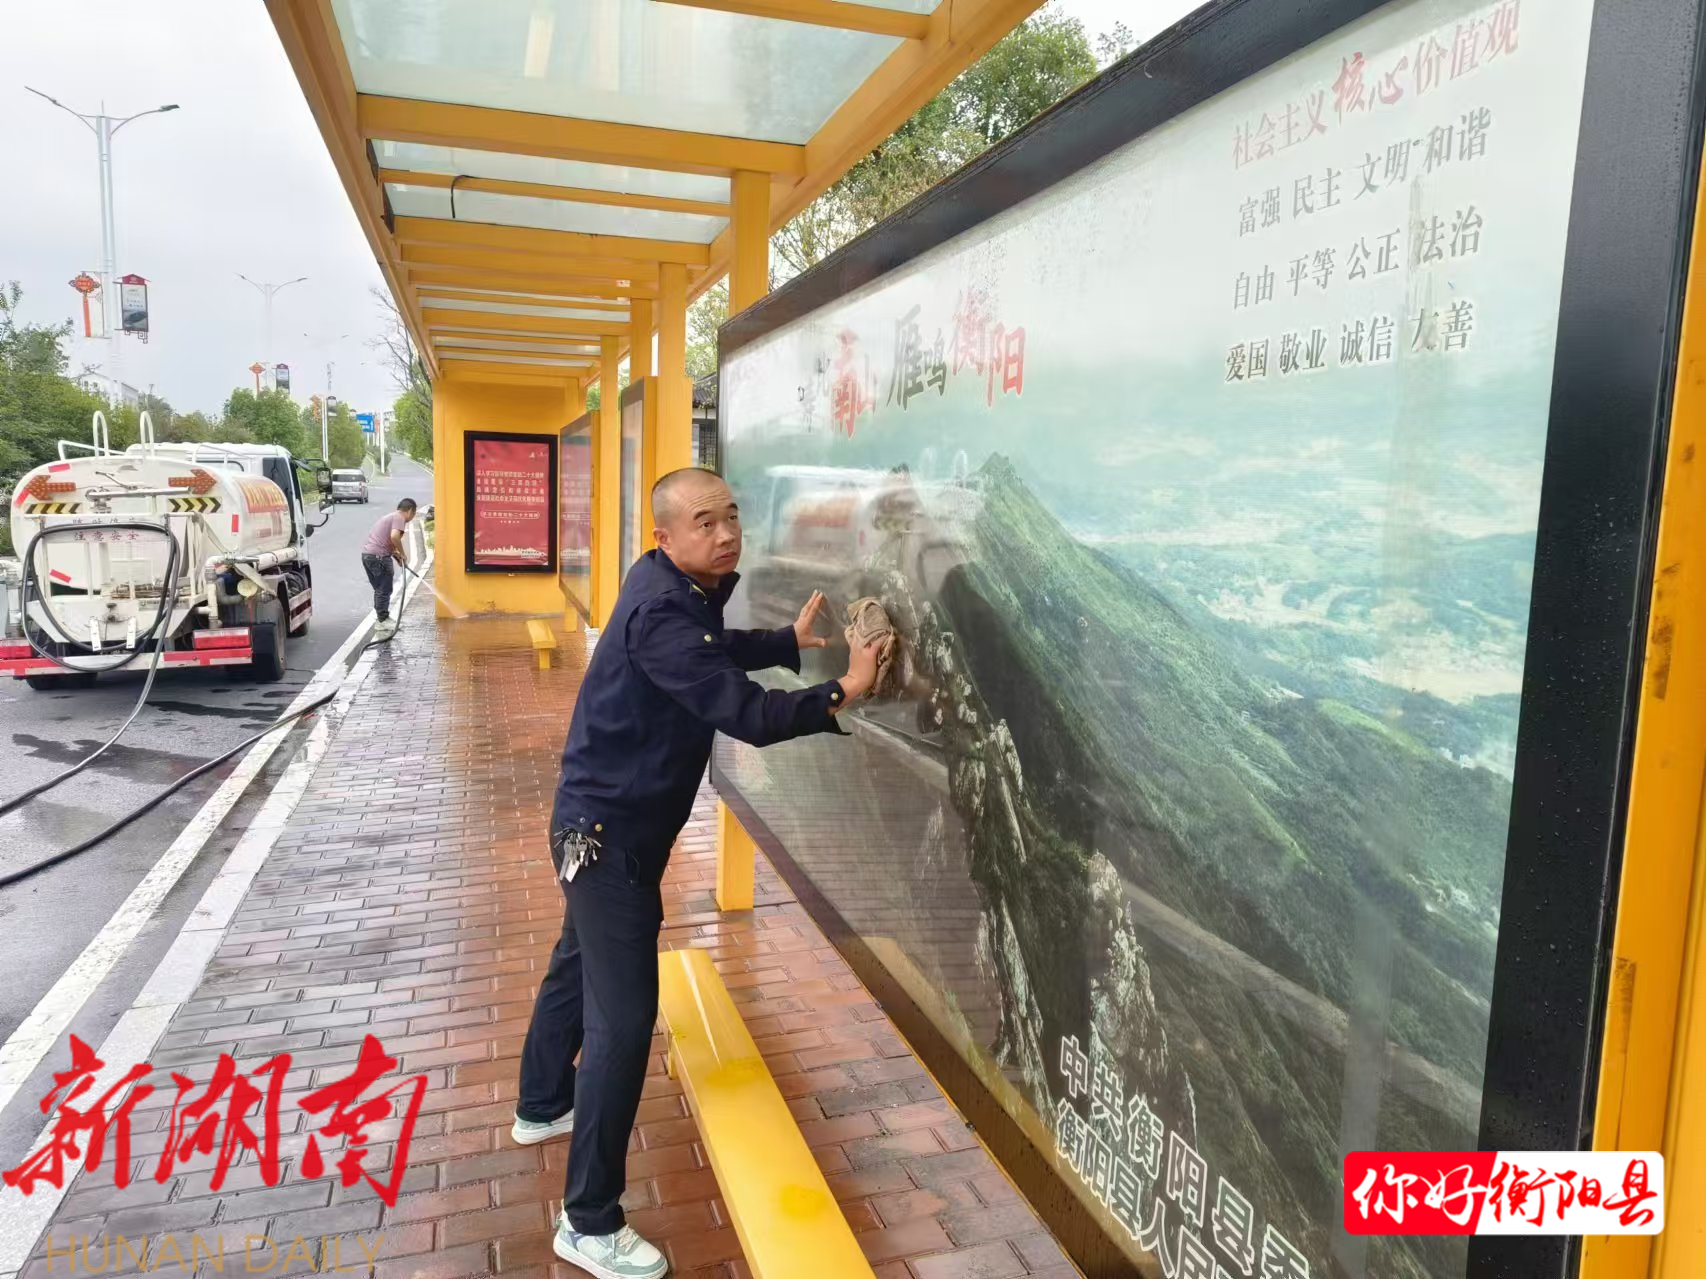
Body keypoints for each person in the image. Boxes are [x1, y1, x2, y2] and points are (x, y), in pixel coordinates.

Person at [515, 467, 881, 1279]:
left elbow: (711, 653)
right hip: (608, 842)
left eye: (732, 517)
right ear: (665, 536)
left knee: (575, 963)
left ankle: (540, 1104)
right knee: (623, 1022)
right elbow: (745, 710)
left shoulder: (672, 590)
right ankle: (588, 1220)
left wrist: (787, 642)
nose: (726, 534)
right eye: (705, 522)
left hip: (598, 829)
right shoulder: (662, 608)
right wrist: (846, 687)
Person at [360, 498, 416, 623]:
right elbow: (394, 537)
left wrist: (397, 556)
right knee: (384, 589)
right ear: (410, 510)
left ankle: (381, 619)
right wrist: (403, 554)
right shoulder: (399, 518)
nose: (413, 517)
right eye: (414, 513)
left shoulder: (391, 517)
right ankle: (383, 621)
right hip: (380, 558)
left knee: (380, 589)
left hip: (368, 556)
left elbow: (386, 541)